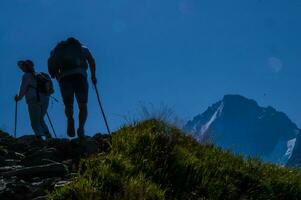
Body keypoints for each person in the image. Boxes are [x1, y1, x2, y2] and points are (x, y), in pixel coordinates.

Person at [48, 37, 97, 138]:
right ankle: (81, 128)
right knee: (82, 105)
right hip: (80, 76)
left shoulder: (56, 51)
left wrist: (59, 79)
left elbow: (53, 69)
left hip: (64, 79)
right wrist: (93, 76)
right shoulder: (83, 48)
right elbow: (91, 61)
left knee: (68, 105)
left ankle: (70, 118)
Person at [15, 60, 52, 140]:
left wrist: (18, 98)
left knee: (34, 121)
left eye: (22, 67)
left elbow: (23, 89)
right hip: (45, 98)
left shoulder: (27, 76)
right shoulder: (40, 75)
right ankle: (48, 137)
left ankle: (40, 139)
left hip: (33, 99)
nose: (21, 69)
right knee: (40, 119)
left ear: (26, 66)